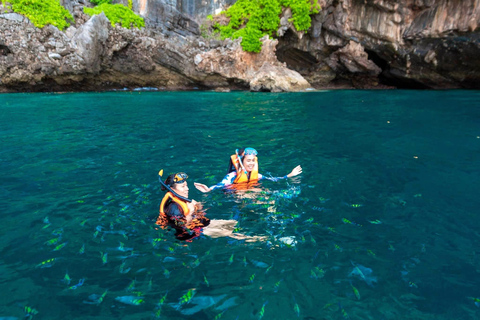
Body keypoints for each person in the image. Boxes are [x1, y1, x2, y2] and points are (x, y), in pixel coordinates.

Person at [156, 171, 265, 242]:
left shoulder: (188, 201)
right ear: (173, 190)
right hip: (195, 232)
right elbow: (182, 228)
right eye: (183, 186)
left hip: (202, 223)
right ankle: (264, 240)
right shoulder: (174, 209)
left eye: (187, 185)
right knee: (233, 234)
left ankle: (259, 228)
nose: (187, 189)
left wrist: (204, 195)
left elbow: (200, 210)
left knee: (233, 223)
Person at [194, 147, 302, 193]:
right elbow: (220, 184)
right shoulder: (233, 176)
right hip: (236, 196)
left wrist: (289, 175)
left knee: (268, 195)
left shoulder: (256, 175)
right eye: (248, 161)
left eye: (253, 161)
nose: (251, 163)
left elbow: (272, 179)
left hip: (249, 193)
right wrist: (209, 189)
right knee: (251, 193)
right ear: (242, 162)